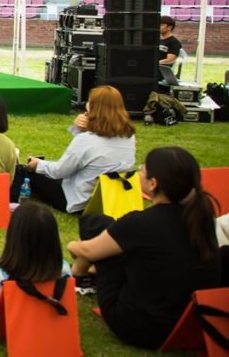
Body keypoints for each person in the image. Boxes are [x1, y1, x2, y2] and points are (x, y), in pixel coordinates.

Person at [67, 146, 222, 349]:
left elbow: (88, 251)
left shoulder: (141, 223)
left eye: (142, 170)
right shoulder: (202, 217)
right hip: (189, 323)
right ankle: (82, 273)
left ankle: (79, 274)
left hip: (138, 326)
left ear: (153, 183)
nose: (139, 172)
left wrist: (72, 245)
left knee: (95, 224)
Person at [24, 85, 136, 214]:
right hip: (111, 198)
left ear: (93, 107)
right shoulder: (129, 136)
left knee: (33, 173)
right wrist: (80, 128)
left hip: (80, 201)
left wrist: (38, 164)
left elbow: (59, 171)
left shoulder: (86, 139)